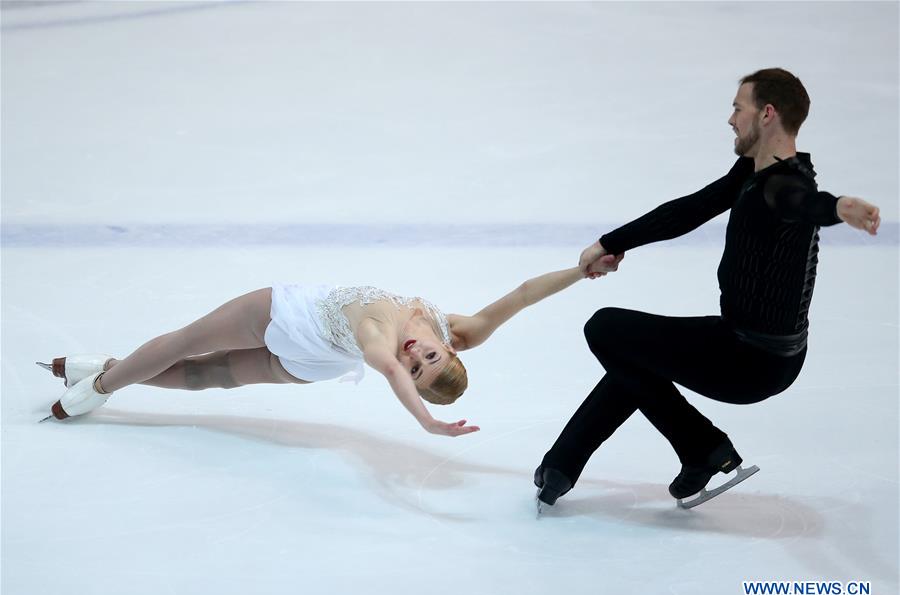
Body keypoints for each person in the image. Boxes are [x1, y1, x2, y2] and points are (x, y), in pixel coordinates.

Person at [534, 68, 881, 507]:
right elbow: (692, 210)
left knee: (606, 329)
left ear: (767, 113)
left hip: (749, 360)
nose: (731, 119)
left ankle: (702, 446)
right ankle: (561, 467)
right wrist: (612, 243)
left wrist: (838, 206)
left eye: (739, 108)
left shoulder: (784, 185)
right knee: (638, 355)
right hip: (755, 348)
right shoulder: (756, 172)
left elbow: (804, 204)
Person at [41, 262, 620, 436]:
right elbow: (521, 295)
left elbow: (389, 370)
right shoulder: (460, 327)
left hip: (314, 358)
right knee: (189, 343)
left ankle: (107, 376)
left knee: (201, 377)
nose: (417, 356)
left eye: (418, 368)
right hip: (285, 315)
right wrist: (580, 268)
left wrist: (425, 422)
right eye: (432, 358)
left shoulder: (382, 340)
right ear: (453, 349)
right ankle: (102, 383)